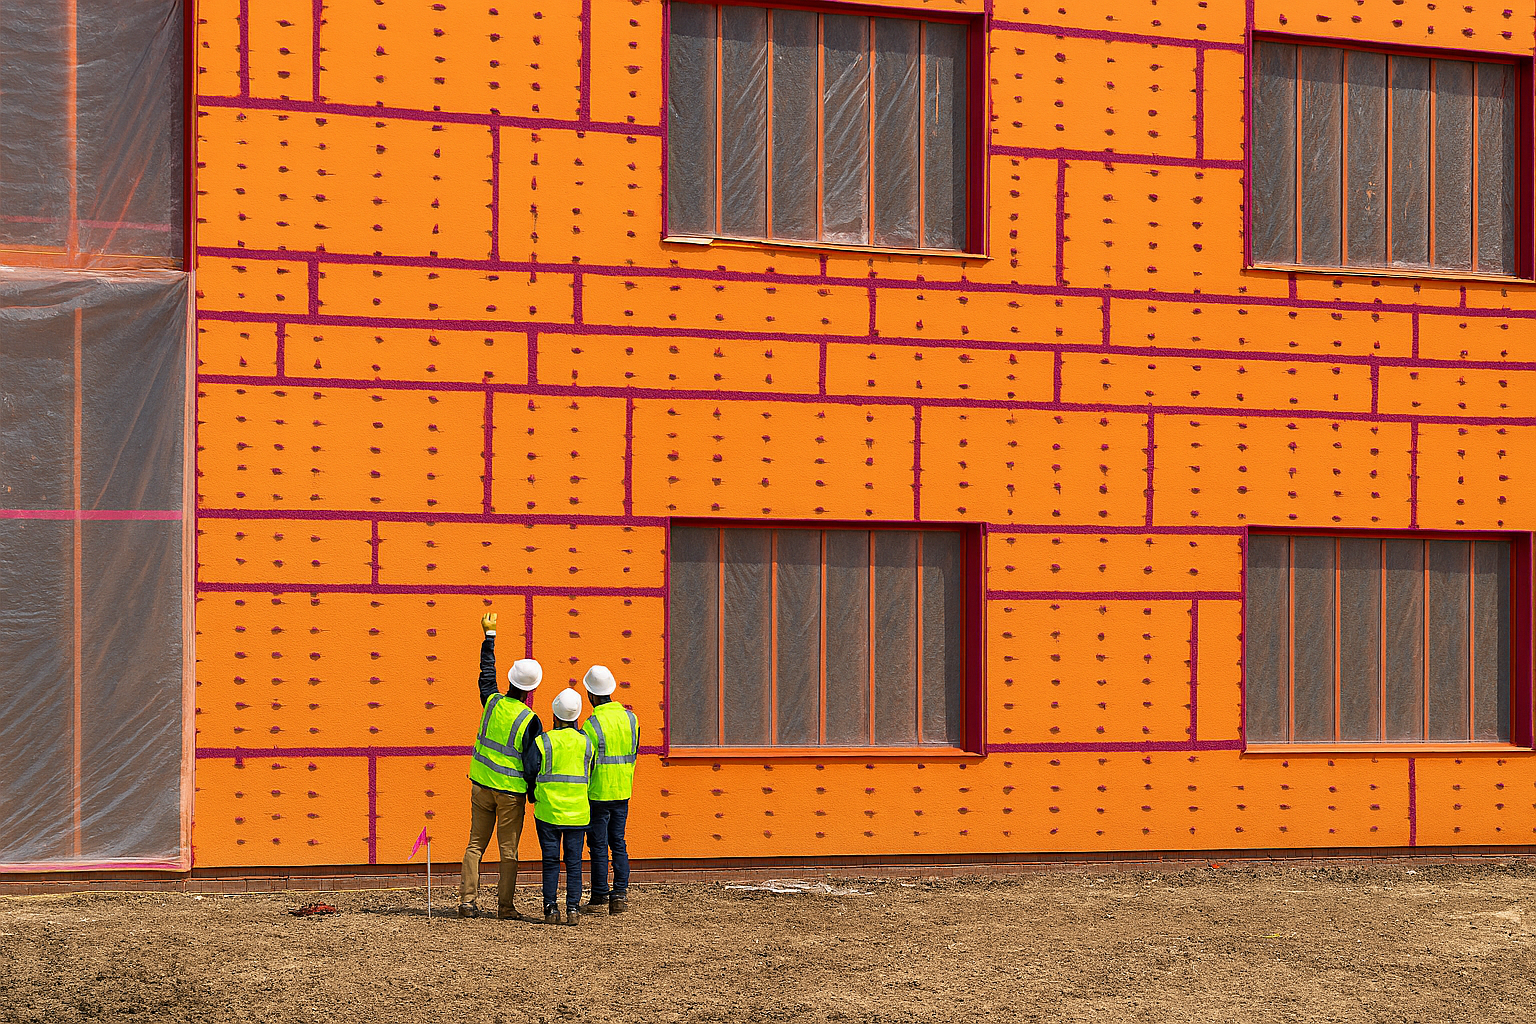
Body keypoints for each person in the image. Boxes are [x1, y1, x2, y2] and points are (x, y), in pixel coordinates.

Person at [458, 611, 543, 921]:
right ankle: (505, 907)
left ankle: (468, 902)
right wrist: (533, 794)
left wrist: (489, 638)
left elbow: (486, 673)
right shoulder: (529, 720)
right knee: (508, 851)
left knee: (475, 845)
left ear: (510, 680)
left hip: (481, 786)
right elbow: (532, 764)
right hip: (510, 795)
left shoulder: (491, 701)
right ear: (531, 689)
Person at [528, 687, 595, 926]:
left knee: (551, 861)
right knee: (574, 863)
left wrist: (533, 795)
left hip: (548, 812)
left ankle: (550, 909)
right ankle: (573, 909)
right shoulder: (586, 743)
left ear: (555, 715)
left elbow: (531, 771)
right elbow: (591, 772)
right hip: (578, 813)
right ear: (576, 716)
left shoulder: (543, 741)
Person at [578, 665, 638, 916]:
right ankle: (620, 894)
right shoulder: (631, 719)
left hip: (598, 793)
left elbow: (586, 761)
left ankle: (600, 894)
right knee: (618, 843)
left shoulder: (591, 725)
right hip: (622, 790)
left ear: (591, 694)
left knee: (598, 845)